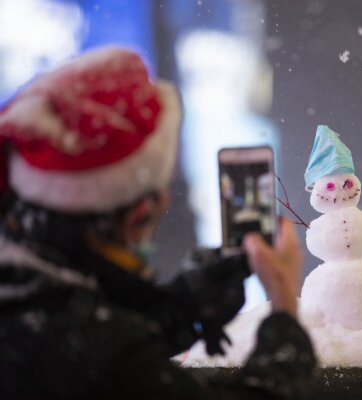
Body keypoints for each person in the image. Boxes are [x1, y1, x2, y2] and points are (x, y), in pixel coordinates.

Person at [0, 47, 316, 399]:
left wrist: (180, 307)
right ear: (139, 214)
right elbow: (115, 365)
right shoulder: (102, 355)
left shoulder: (24, 282)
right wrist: (284, 311)